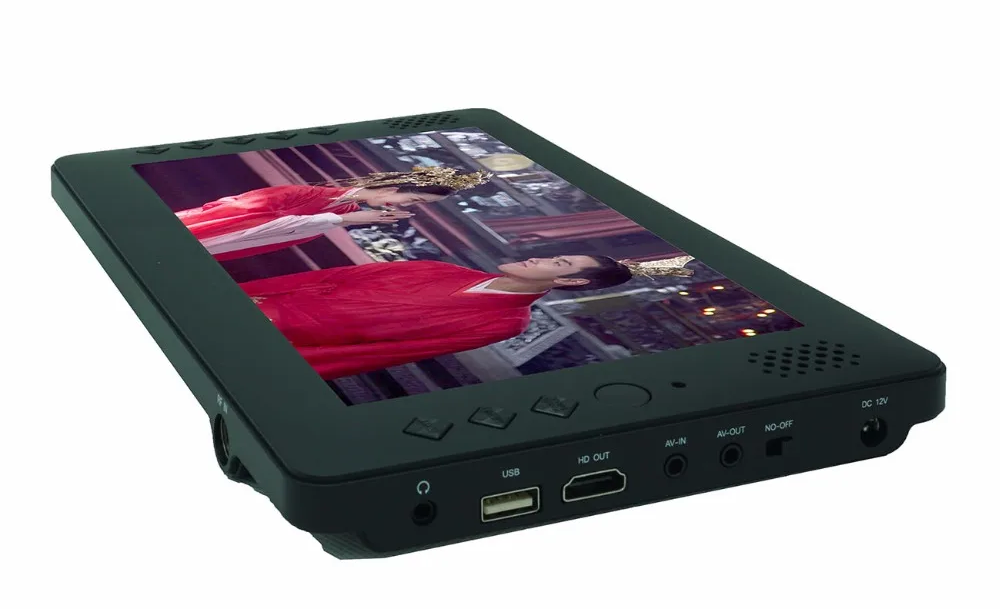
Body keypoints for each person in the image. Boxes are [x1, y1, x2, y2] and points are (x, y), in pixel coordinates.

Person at [239, 254, 695, 380]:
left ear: (570, 282)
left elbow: (386, 351)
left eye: (556, 264)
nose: (538, 258)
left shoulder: (505, 323)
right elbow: (332, 277)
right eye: (552, 253)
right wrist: (242, 297)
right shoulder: (439, 268)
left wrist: (284, 363)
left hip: (277, 346)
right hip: (251, 305)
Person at [174, 165, 490, 261]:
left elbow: (261, 240)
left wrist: (343, 218)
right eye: (413, 199)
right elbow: (245, 224)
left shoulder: (345, 210)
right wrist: (343, 220)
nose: (406, 207)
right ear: (392, 187)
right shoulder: (302, 194)